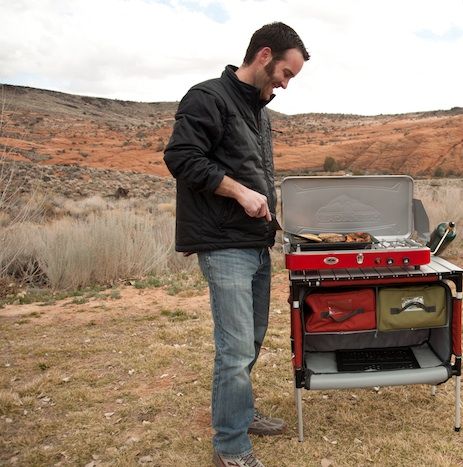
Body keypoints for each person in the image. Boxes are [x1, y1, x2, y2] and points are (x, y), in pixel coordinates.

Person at [163, 22, 309, 467]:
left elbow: (257, 174)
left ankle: (239, 412)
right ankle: (229, 444)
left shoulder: (259, 111)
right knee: (236, 346)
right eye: (285, 73)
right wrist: (239, 192)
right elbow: (181, 157)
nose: (285, 84)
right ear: (264, 56)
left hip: (255, 242)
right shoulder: (208, 97)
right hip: (223, 243)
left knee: (253, 338)